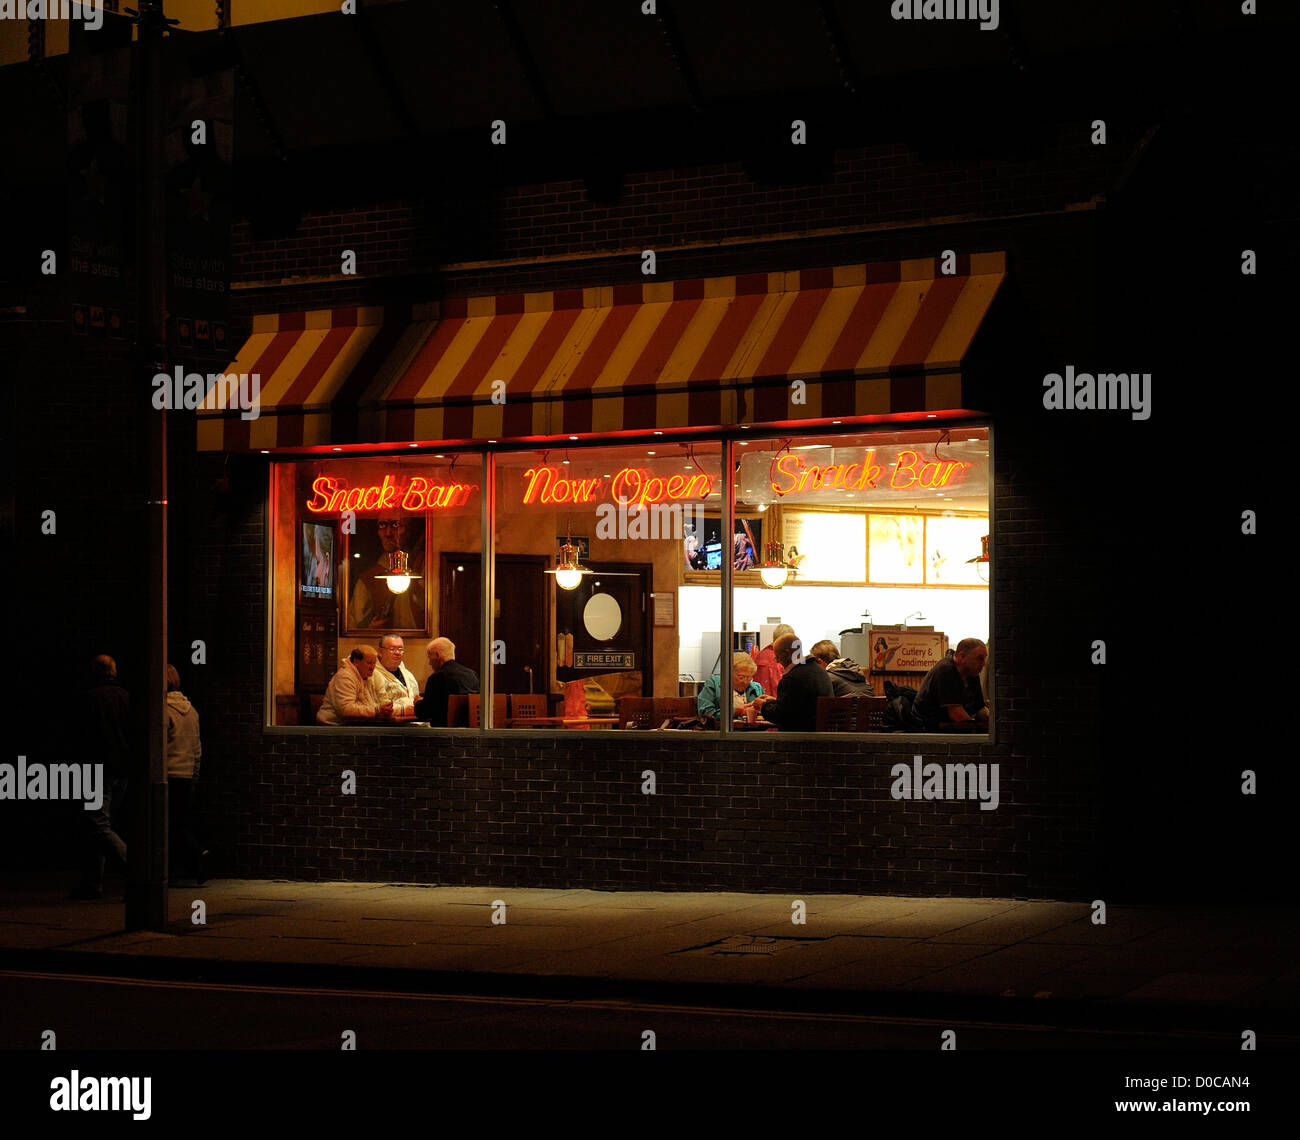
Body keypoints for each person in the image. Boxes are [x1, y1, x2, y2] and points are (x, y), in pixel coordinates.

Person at [70, 655, 130, 899]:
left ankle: (137, 871)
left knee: (96, 825)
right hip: (122, 768)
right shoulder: (127, 697)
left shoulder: (89, 698)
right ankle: (92, 883)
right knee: (100, 825)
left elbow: (82, 736)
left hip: (97, 767)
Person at [164, 664, 210, 884]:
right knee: (180, 822)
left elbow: (158, 745)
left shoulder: (162, 711)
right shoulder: (192, 711)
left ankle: (195, 854)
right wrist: (195, 774)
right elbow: (197, 747)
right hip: (186, 773)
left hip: (167, 774)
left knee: (169, 825)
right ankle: (193, 862)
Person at [349, 512, 425, 630]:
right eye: (383, 525)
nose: (388, 533)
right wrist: (370, 631)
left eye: (396, 525)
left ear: (409, 530)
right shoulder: (367, 579)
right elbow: (353, 626)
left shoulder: (425, 567)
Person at [753, 634, 834, 732]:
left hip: (798, 739)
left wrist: (762, 706)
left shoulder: (793, 677)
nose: (777, 661)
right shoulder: (820, 671)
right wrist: (775, 701)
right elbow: (798, 706)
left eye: (778, 656)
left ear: (787, 653)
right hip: (819, 734)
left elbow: (782, 716)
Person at [912, 638, 989, 731]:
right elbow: (957, 715)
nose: (983, 664)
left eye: (984, 659)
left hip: (948, 724)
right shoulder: (946, 670)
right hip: (928, 727)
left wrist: (993, 722)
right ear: (962, 657)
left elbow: (979, 708)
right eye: (980, 658)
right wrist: (981, 730)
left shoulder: (972, 672)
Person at [317, 646, 391, 724]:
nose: (372, 667)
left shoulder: (367, 675)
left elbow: (378, 701)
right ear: (356, 662)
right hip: (333, 727)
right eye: (369, 663)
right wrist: (376, 710)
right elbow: (346, 709)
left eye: (374, 663)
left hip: (354, 725)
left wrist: (386, 708)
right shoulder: (345, 677)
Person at [415, 637, 479, 727]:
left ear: (437, 655)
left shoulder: (437, 678)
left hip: (444, 733)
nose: (429, 663)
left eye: (430, 658)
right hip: (472, 731)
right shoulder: (472, 674)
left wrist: (418, 703)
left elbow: (425, 713)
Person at [696, 652, 765, 721]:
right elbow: (705, 711)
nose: (745, 681)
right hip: (722, 730)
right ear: (729, 673)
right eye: (741, 677)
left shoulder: (756, 688)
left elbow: (764, 715)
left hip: (752, 731)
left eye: (749, 678)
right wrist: (734, 712)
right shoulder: (714, 684)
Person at [372, 634, 419, 718]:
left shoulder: (408, 675)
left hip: (413, 721)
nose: (397, 653)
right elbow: (377, 706)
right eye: (392, 649)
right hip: (388, 725)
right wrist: (405, 709)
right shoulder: (373, 675)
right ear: (380, 651)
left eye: (400, 649)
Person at [809, 640, 875, 697]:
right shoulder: (857, 672)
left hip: (845, 711)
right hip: (871, 710)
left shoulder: (826, 678)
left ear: (821, 662)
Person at [750, 623, 795, 695]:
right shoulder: (779, 659)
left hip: (759, 699)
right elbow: (777, 687)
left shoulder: (760, 654)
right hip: (772, 701)